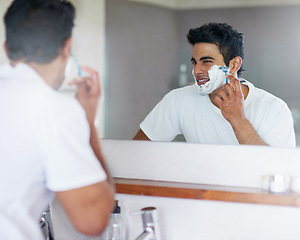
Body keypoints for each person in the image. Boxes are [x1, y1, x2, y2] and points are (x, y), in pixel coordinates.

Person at [0, 0, 115, 239]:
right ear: (66, 47)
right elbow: (92, 221)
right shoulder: (55, 110)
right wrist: (88, 121)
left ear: (6, 48)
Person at [134, 23, 295, 147]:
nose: (197, 70)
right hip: (200, 190)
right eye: (195, 62)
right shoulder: (178, 100)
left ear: (234, 65)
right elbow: (136, 151)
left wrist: (237, 119)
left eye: (206, 62)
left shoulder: (274, 109)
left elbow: (279, 170)